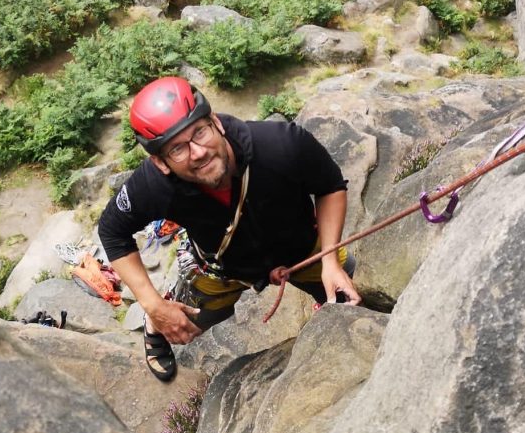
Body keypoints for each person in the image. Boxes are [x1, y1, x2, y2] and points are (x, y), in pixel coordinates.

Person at [98, 76, 361, 381]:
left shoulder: (281, 144)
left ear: (215, 122)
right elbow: (112, 231)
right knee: (189, 325)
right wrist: (153, 304)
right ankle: (153, 327)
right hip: (222, 269)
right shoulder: (153, 186)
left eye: (199, 132)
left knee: (350, 297)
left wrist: (330, 259)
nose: (198, 152)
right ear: (161, 162)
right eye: (178, 149)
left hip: (305, 252)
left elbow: (329, 186)